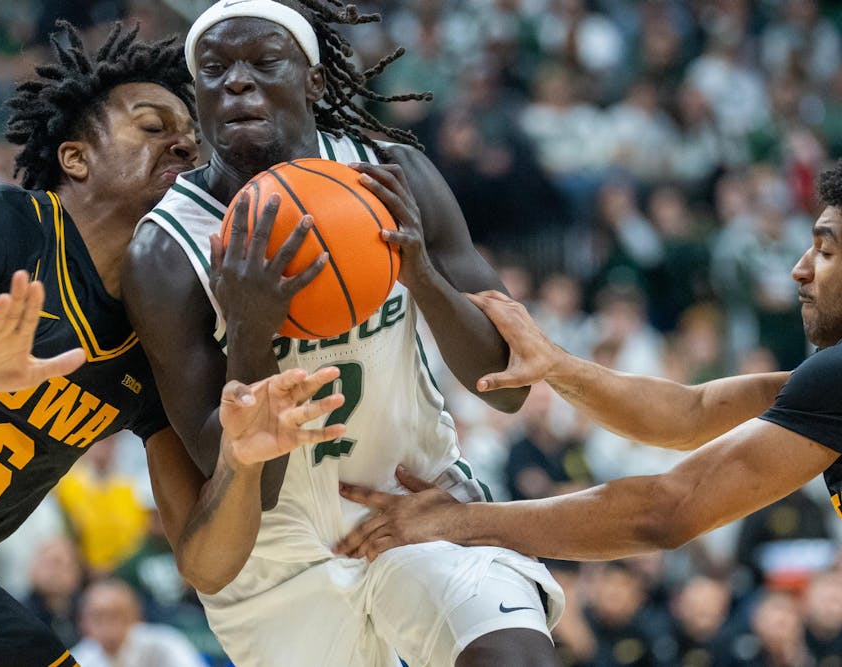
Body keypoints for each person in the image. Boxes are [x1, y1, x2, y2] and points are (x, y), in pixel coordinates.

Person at [0, 21, 348, 667]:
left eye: (191, 140)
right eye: (152, 126)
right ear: (75, 159)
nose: (183, 143)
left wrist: (241, 464)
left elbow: (205, 564)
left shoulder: (158, 330)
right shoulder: (5, 220)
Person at [123, 2, 564, 666]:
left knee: (515, 657)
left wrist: (420, 274)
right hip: (277, 557)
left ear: (315, 81)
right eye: (214, 70)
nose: (236, 81)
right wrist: (250, 333)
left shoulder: (391, 176)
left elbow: (507, 389)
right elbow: (244, 481)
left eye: (264, 62)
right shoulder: (167, 251)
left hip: (418, 504)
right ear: (197, 97)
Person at [334, 160, 842, 568]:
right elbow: (692, 413)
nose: (798, 269)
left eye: (824, 251)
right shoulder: (827, 378)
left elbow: (667, 510)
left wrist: (459, 523)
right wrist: (556, 364)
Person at [70, 578, 207, 667]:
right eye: (98, 617)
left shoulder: (164, 643)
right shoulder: (80, 658)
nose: (107, 624)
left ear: (134, 615)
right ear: (83, 622)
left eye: (115, 615)